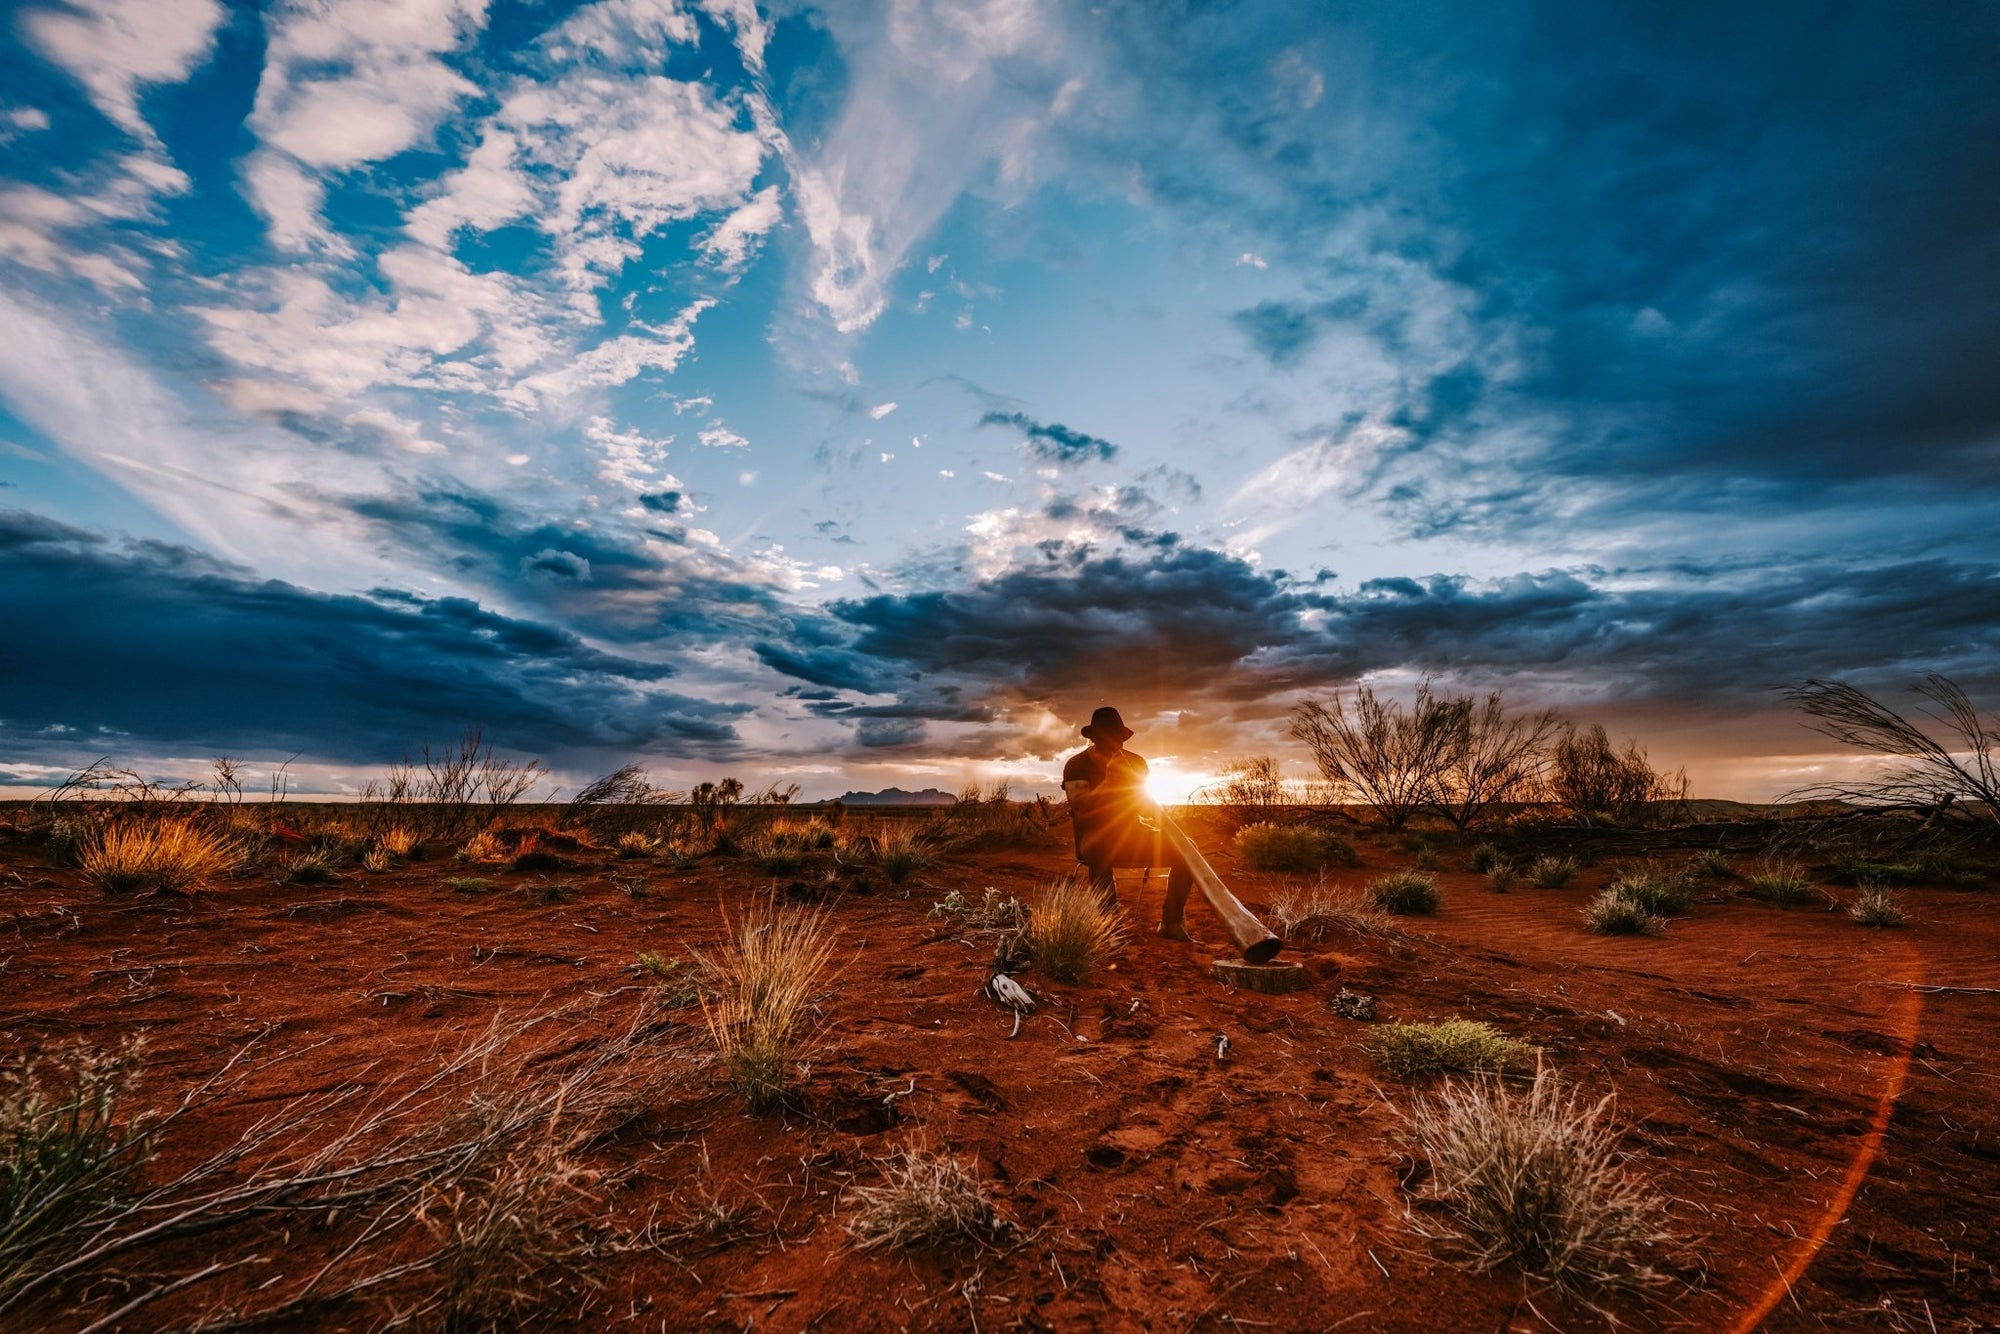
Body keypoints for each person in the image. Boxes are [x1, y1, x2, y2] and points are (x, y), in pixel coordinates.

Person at [1061, 706, 1194, 941]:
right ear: (1094, 740)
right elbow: (1082, 808)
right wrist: (1110, 780)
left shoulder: (1136, 763)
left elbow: (1142, 803)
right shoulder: (1077, 765)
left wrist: (1168, 830)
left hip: (1133, 835)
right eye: (1108, 740)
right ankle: (1110, 926)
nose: (1116, 746)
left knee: (1187, 848)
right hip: (1094, 836)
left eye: (1118, 740)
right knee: (1101, 847)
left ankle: (1171, 922)